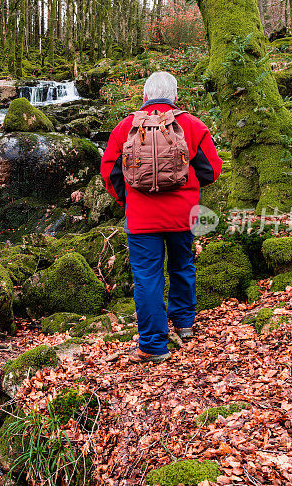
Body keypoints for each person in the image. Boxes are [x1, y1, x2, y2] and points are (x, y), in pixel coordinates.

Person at [100, 71, 222, 364]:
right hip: (182, 216)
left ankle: (154, 346)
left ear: (144, 96)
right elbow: (211, 170)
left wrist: (127, 202)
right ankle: (184, 324)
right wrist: (188, 191)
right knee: (182, 266)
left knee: (147, 279)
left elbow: (109, 172)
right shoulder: (191, 125)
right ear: (175, 97)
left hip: (142, 220)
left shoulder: (125, 127)